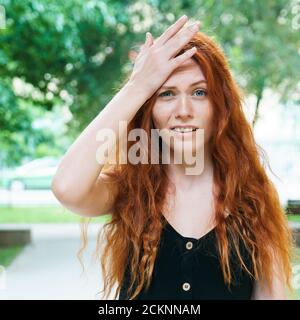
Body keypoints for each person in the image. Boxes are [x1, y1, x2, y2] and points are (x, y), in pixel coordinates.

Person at [51, 15, 294, 300]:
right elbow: (67, 187)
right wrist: (138, 86)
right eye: (166, 94)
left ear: (220, 106)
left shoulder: (253, 198)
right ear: (149, 109)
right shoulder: (130, 190)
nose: (183, 109)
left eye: (200, 92)